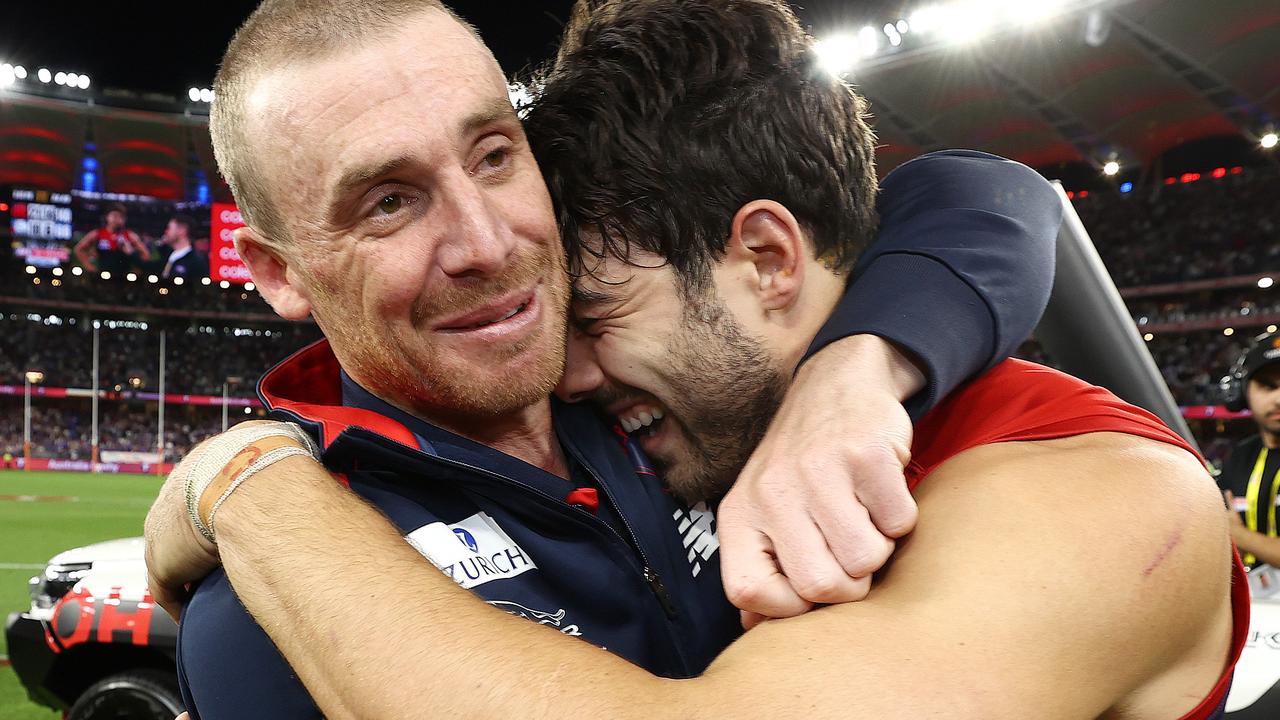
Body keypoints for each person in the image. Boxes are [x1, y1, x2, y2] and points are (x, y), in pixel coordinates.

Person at [148, 1, 1245, 718]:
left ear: (767, 256)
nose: (489, 249)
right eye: (388, 201)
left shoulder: (1080, 496)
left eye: (494, 154)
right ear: (279, 271)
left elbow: (982, 191)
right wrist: (253, 486)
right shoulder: (288, 600)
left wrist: (850, 370)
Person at [1219, 330, 1280, 567]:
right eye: (1267, 386)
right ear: (1243, 394)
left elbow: (1229, 530)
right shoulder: (1239, 456)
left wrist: (1240, 536)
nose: (1278, 399)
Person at [73, 202, 150, 274]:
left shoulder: (130, 236)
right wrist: (90, 267)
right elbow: (79, 249)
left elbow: (146, 254)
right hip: (102, 275)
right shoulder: (97, 234)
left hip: (123, 277)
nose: (117, 219)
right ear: (107, 217)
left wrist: (136, 268)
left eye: (121, 217)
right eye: (114, 216)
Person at [159, 214, 210, 280]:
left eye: (169, 228)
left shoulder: (196, 261)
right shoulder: (167, 253)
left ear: (181, 231)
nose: (166, 232)